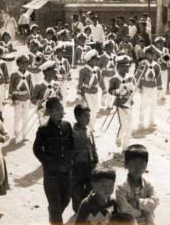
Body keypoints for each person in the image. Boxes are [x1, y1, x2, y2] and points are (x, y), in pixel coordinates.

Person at [33, 97, 74, 225]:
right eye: (57, 109)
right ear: (49, 111)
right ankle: (55, 218)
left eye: (61, 108)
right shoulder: (43, 129)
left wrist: (70, 161)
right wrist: (48, 162)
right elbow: (37, 149)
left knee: (66, 199)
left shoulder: (67, 126)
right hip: (51, 175)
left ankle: (53, 212)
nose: (60, 111)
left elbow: (71, 146)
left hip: (66, 172)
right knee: (55, 205)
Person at [116, 144, 159, 225]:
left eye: (141, 163)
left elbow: (154, 203)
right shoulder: (121, 188)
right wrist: (143, 212)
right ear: (126, 164)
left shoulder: (148, 185)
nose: (138, 166)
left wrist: (138, 203)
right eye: (134, 162)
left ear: (146, 165)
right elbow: (124, 210)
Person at [72, 104, 99, 213]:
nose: (88, 119)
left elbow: (93, 147)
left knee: (89, 190)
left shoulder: (89, 130)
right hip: (76, 168)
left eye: (89, 116)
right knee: (76, 192)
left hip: (89, 166)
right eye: (85, 116)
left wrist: (96, 161)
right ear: (77, 117)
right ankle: (78, 212)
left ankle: (85, 211)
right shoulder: (71, 133)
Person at [108, 55, 135, 153]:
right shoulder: (114, 78)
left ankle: (125, 146)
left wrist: (131, 93)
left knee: (130, 126)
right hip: (120, 104)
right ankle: (118, 138)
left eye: (127, 66)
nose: (126, 68)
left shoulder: (131, 77)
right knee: (123, 125)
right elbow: (110, 91)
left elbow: (133, 89)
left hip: (129, 104)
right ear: (118, 66)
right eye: (123, 66)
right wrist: (118, 91)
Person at [78, 50, 106, 131]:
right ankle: (90, 126)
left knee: (96, 109)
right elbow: (80, 83)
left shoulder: (97, 69)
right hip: (87, 92)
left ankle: (92, 124)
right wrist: (79, 93)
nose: (96, 61)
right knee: (90, 110)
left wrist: (104, 90)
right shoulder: (83, 70)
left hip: (95, 92)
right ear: (89, 60)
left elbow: (101, 81)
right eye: (95, 59)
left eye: (97, 59)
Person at [135, 45, 162, 131]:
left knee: (153, 104)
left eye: (154, 54)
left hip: (153, 87)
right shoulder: (143, 63)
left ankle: (151, 120)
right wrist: (138, 86)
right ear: (146, 54)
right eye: (150, 54)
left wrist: (159, 87)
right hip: (145, 86)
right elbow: (138, 75)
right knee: (144, 104)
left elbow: (158, 77)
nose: (152, 55)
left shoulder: (156, 65)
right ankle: (141, 121)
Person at [9, 55, 33, 142]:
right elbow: (11, 87)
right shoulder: (14, 75)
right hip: (18, 99)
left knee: (26, 117)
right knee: (17, 117)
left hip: (26, 99)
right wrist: (12, 98)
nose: (23, 64)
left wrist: (31, 98)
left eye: (26, 63)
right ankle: (16, 132)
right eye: (21, 63)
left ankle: (25, 134)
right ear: (18, 64)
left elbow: (31, 87)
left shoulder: (29, 74)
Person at [31, 60, 63, 125]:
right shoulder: (39, 85)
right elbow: (33, 98)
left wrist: (57, 98)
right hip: (44, 112)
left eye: (54, 71)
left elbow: (60, 97)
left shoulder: (56, 84)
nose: (54, 73)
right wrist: (39, 102)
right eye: (52, 71)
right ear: (45, 72)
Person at [99, 40, 117, 110]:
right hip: (105, 75)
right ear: (105, 48)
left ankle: (109, 105)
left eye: (112, 47)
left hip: (112, 74)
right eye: (108, 47)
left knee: (112, 90)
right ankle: (103, 99)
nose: (110, 48)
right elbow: (98, 67)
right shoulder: (102, 56)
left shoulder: (114, 56)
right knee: (105, 90)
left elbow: (116, 66)